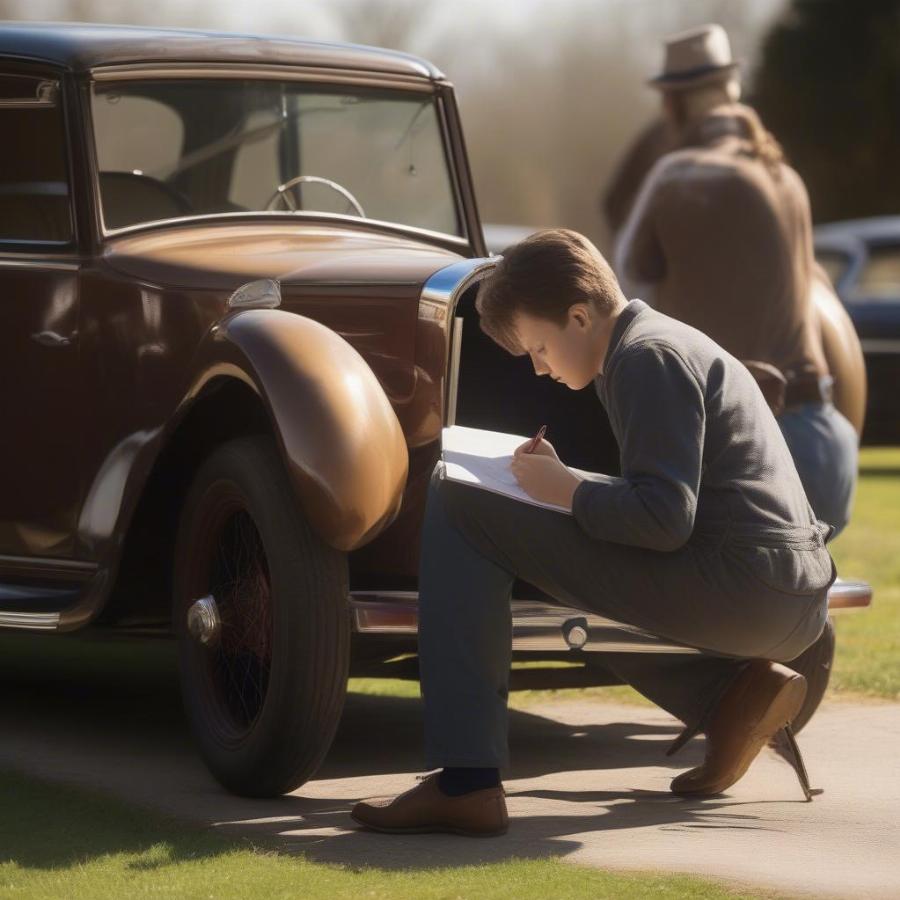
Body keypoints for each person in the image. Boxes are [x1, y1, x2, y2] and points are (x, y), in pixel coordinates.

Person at [350, 229, 836, 837]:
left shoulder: (645, 358)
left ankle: (465, 781)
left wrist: (568, 491)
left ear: (579, 316)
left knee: (454, 491)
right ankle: (733, 698)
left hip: (751, 588)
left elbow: (662, 519)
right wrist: (561, 482)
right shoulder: (659, 343)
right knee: (555, 548)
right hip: (780, 590)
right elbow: (667, 503)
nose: (540, 368)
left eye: (540, 348)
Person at [614, 23, 858, 539]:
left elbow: (627, 287)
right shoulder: (786, 177)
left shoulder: (675, 174)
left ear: (676, 105)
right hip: (828, 443)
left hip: (755, 453)